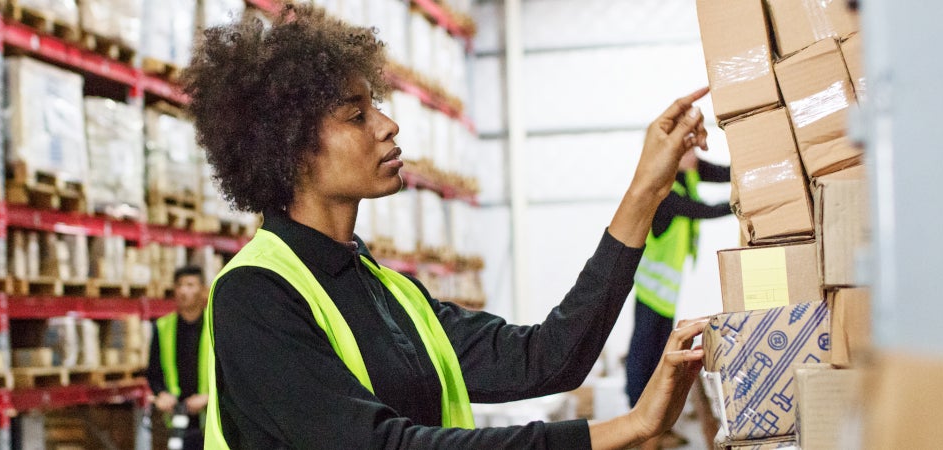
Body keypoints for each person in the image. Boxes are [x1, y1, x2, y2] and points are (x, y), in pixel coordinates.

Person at [184, 5, 711, 449]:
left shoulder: (389, 294)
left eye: (377, 107)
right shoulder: (254, 294)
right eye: (356, 115)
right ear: (290, 147)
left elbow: (547, 358)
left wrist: (646, 192)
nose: (388, 125)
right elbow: (387, 445)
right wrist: (626, 428)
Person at [626, 150, 732, 450]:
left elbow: (724, 173)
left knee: (658, 354)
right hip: (651, 290)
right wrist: (736, 205)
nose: (695, 155)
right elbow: (701, 209)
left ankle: (655, 428)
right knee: (644, 355)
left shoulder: (687, 175)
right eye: (687, 150)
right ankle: (638, 428)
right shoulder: (665, 192)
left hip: (665, 293)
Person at [148, 266, 211, 450]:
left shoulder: (216, 325)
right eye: (180, 285)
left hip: (210, 420)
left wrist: (208, 398)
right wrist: (161, 394)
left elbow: (229, 373)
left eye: (190, 285)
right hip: (176, 418)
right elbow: (153, 373)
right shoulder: (163, 326)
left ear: (202, 290)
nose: (184, 291)